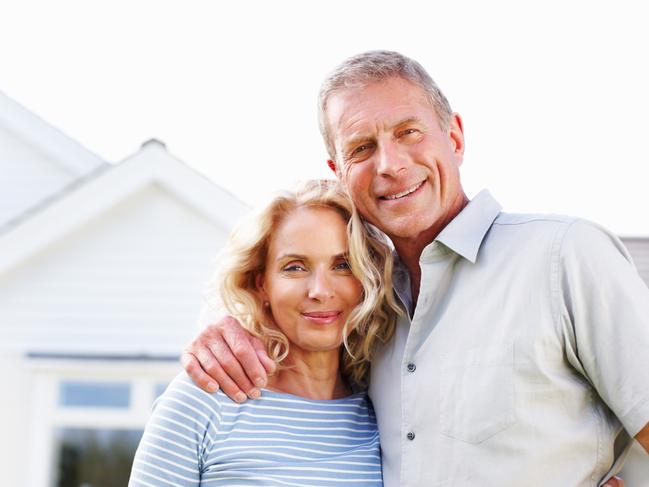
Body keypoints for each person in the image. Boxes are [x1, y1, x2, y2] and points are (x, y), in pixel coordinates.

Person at [182, 51, 649, 485]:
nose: (390, 164)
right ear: (338, 169)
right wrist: (230, 330)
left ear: (456, 137)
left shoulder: (564, 256)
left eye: (409, 132)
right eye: (361, 148)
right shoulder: (368, 313)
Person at [129, 180, 401, 486]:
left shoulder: (383, 411)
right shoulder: (203, 400)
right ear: (261, 284)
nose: (321, 291)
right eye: (295, 267)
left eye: (342, 265)